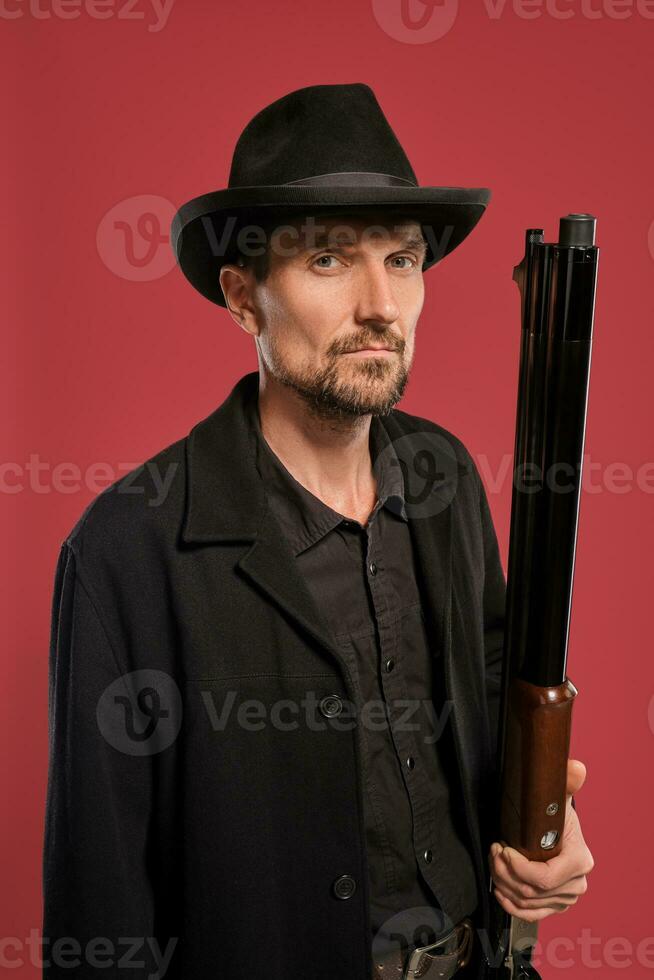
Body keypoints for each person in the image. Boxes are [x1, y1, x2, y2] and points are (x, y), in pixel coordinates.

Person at [43, 83, 594, 980]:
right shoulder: (124, 551)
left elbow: (495, 710)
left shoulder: (445, 477)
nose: (382, 305)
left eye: (404, 260)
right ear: (243, 296)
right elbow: (98, 904)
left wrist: (550, 827)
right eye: (331, 262)